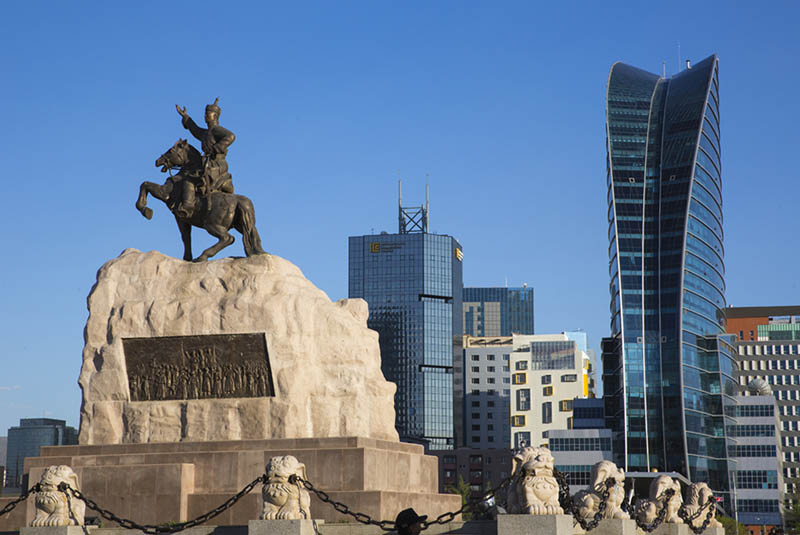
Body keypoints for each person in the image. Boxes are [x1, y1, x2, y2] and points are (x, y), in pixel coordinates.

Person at [174, 98, 236, 217]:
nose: (205, 116)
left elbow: (231, 136)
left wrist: (217, 147)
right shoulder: (206, 133)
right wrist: (185, 116)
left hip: (217, 164)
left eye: (208, 114)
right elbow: (195, 129)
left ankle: (187, 206)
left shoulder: (216, 129)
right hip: (210, 163)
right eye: (205, 114)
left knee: (189, 179)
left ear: (215, 115)